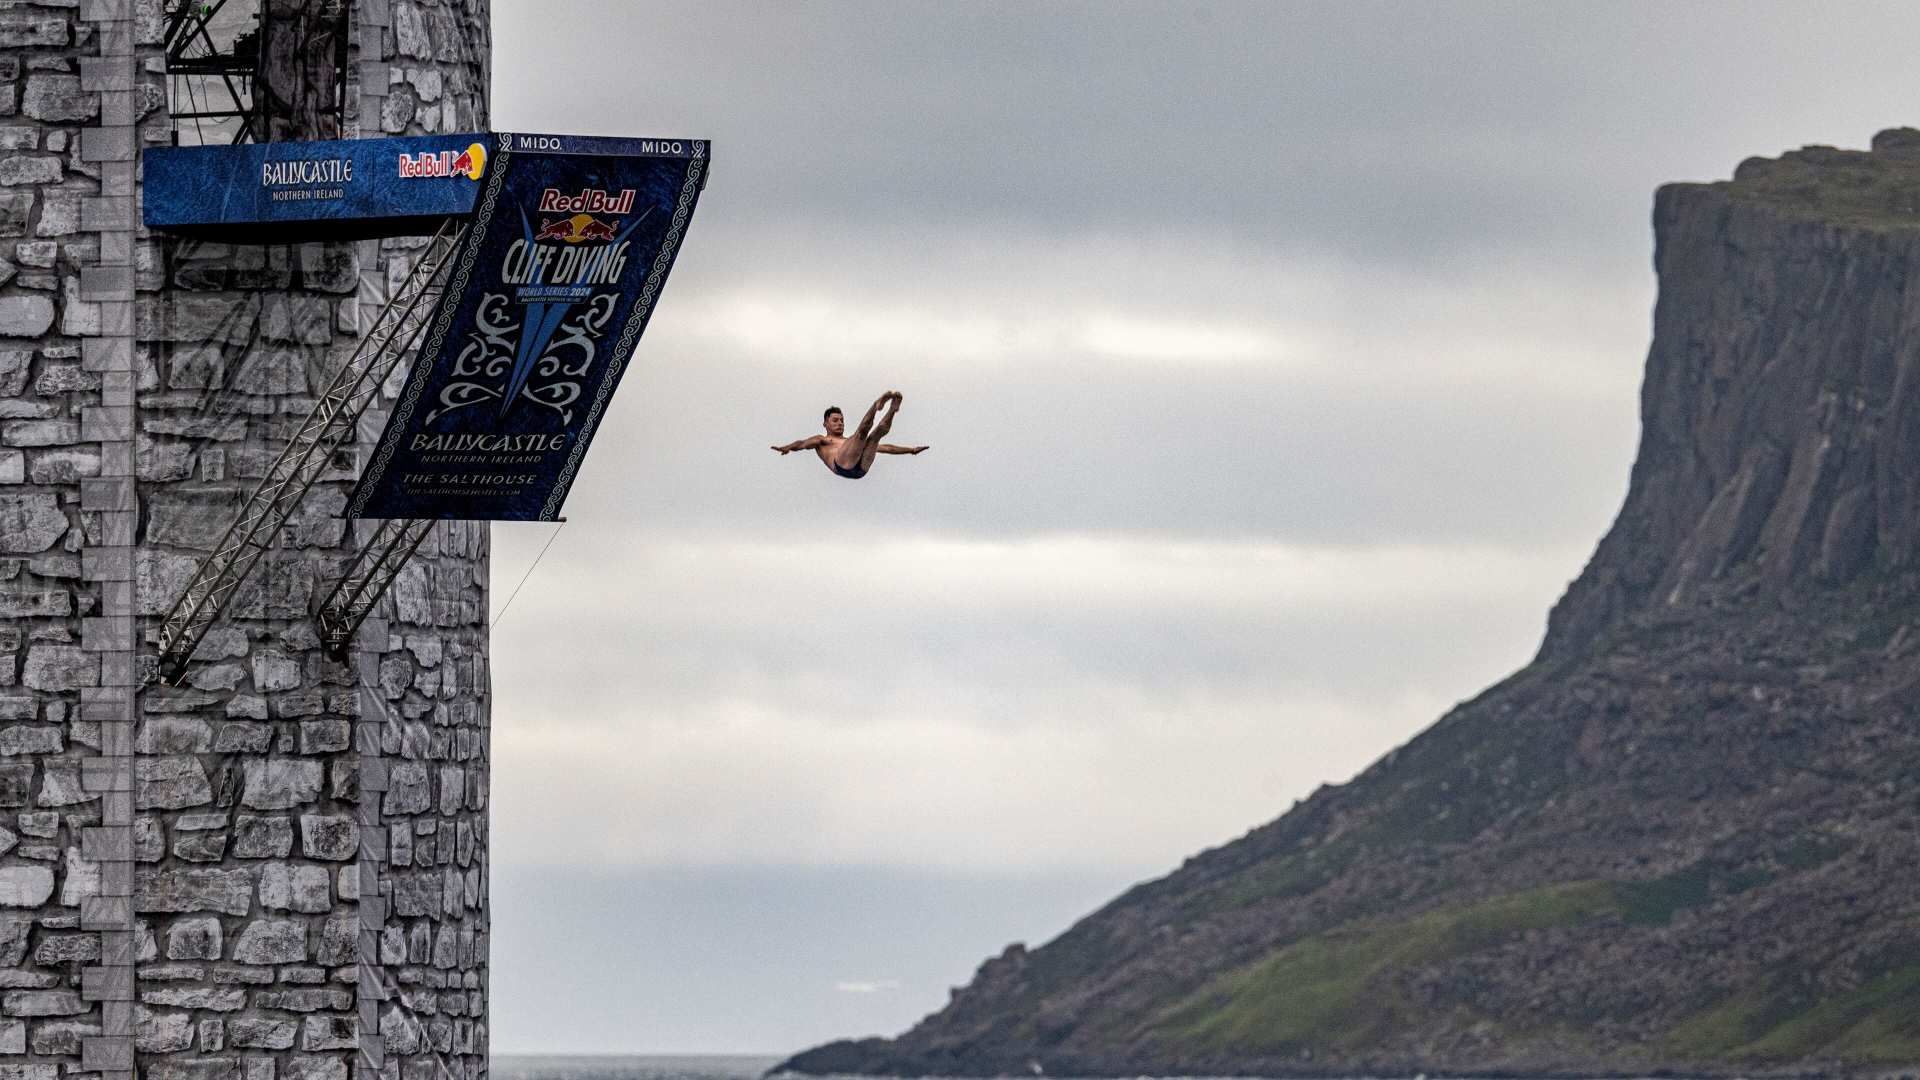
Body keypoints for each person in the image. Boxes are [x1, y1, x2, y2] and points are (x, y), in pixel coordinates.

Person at [771, 391, 927, 479]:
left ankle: (893, 410)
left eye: (842, 420)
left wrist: (911, 450)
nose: (840, 423)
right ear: (825, 423)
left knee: (876, 435)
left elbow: (886, 448)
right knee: (861, 434)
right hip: (843, 466)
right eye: (835, 420)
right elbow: (801, 444)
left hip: (861, 471)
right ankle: (876, 405)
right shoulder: (822, 440)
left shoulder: (848, 441)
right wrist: (787, 448)